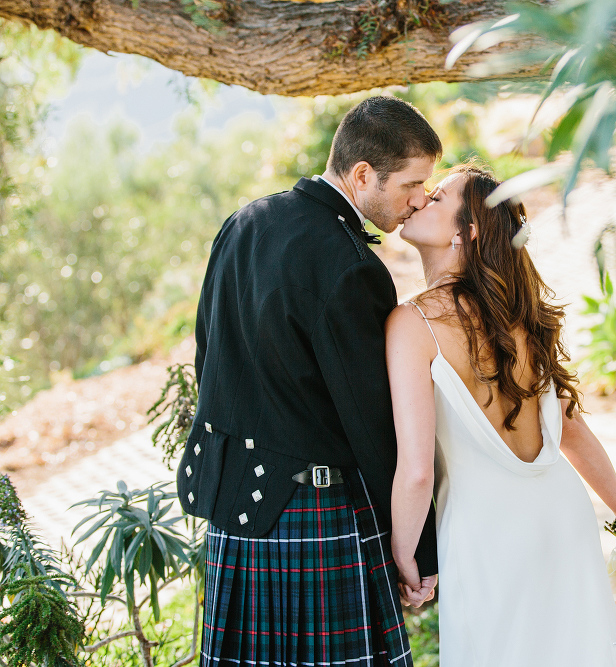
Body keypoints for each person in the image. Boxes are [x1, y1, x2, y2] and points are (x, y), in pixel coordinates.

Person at [177, 95, 440, 667]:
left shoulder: (243, 223)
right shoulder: (351, 266)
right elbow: (373, 426)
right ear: (363, 174)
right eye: (412, 184)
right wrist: (415, 550)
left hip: (236, 511)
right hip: (313, 512)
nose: (420, 200)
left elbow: (207, 355)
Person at [386, 163, 616, 666]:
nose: (418, 201)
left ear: (466, 233)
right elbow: (572, 432)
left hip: (485, 535)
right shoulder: (520, 316)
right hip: (561, 519)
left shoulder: (412, 323)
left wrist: (404, 557)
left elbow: (415, 473)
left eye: (435, 198)